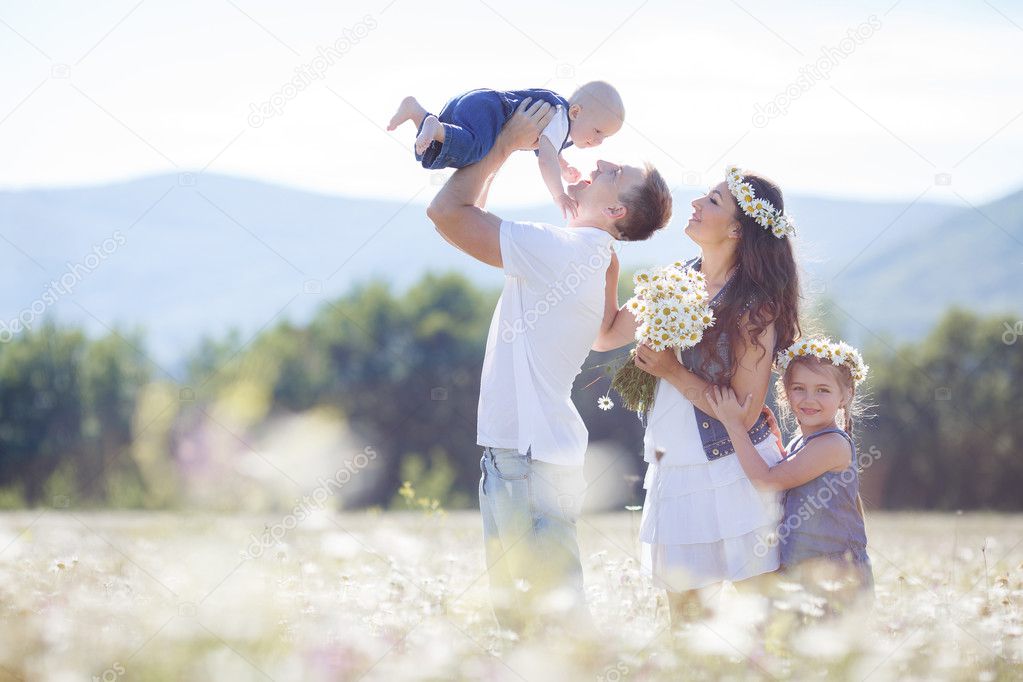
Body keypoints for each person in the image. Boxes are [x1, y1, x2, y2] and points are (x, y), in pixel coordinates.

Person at [425, 98, 671, 633]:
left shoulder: (568, 250)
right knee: (543, 615)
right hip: (537, 453)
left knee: (533, 621)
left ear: (617, 212)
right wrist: (661, 298)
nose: (600, 162)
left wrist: (501, 146)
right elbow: (606, 333)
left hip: (525, 455)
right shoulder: (597, 254)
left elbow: (446, 214)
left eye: (615, 172)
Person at [593, 165, 800, 623]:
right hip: (675, 468)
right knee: (686, 626)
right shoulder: (672, 279)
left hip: (734, 470)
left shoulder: (754, 306)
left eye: (712, 201)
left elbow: (742, 415)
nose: (695, 204)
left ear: (736, 229)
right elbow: (605, 336)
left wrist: (670, 370)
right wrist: (607, 265)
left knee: (759, 625)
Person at [706, 336, 875, 613]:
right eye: (799, 388)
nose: (809, 399)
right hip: (801, 571)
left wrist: (732, 423)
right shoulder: (804, 442)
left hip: (836, 575)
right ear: (785, 393)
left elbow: (767, 480)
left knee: (830, 650)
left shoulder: (832, 445)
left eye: (823, 390)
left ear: (845, 396)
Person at [390, 81, 624, 218]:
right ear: (576, 112)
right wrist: (559, 194)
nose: (599, 141)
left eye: (605, 137)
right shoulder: (561, 119)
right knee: (476, 149)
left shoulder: (561, 124)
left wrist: (563, 166)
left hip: (477, 103)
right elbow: (545, 159)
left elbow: (549, 149)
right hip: (488, 109)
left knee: (443, 149)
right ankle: (436, 126)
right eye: (598, 131)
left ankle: (417, 112)